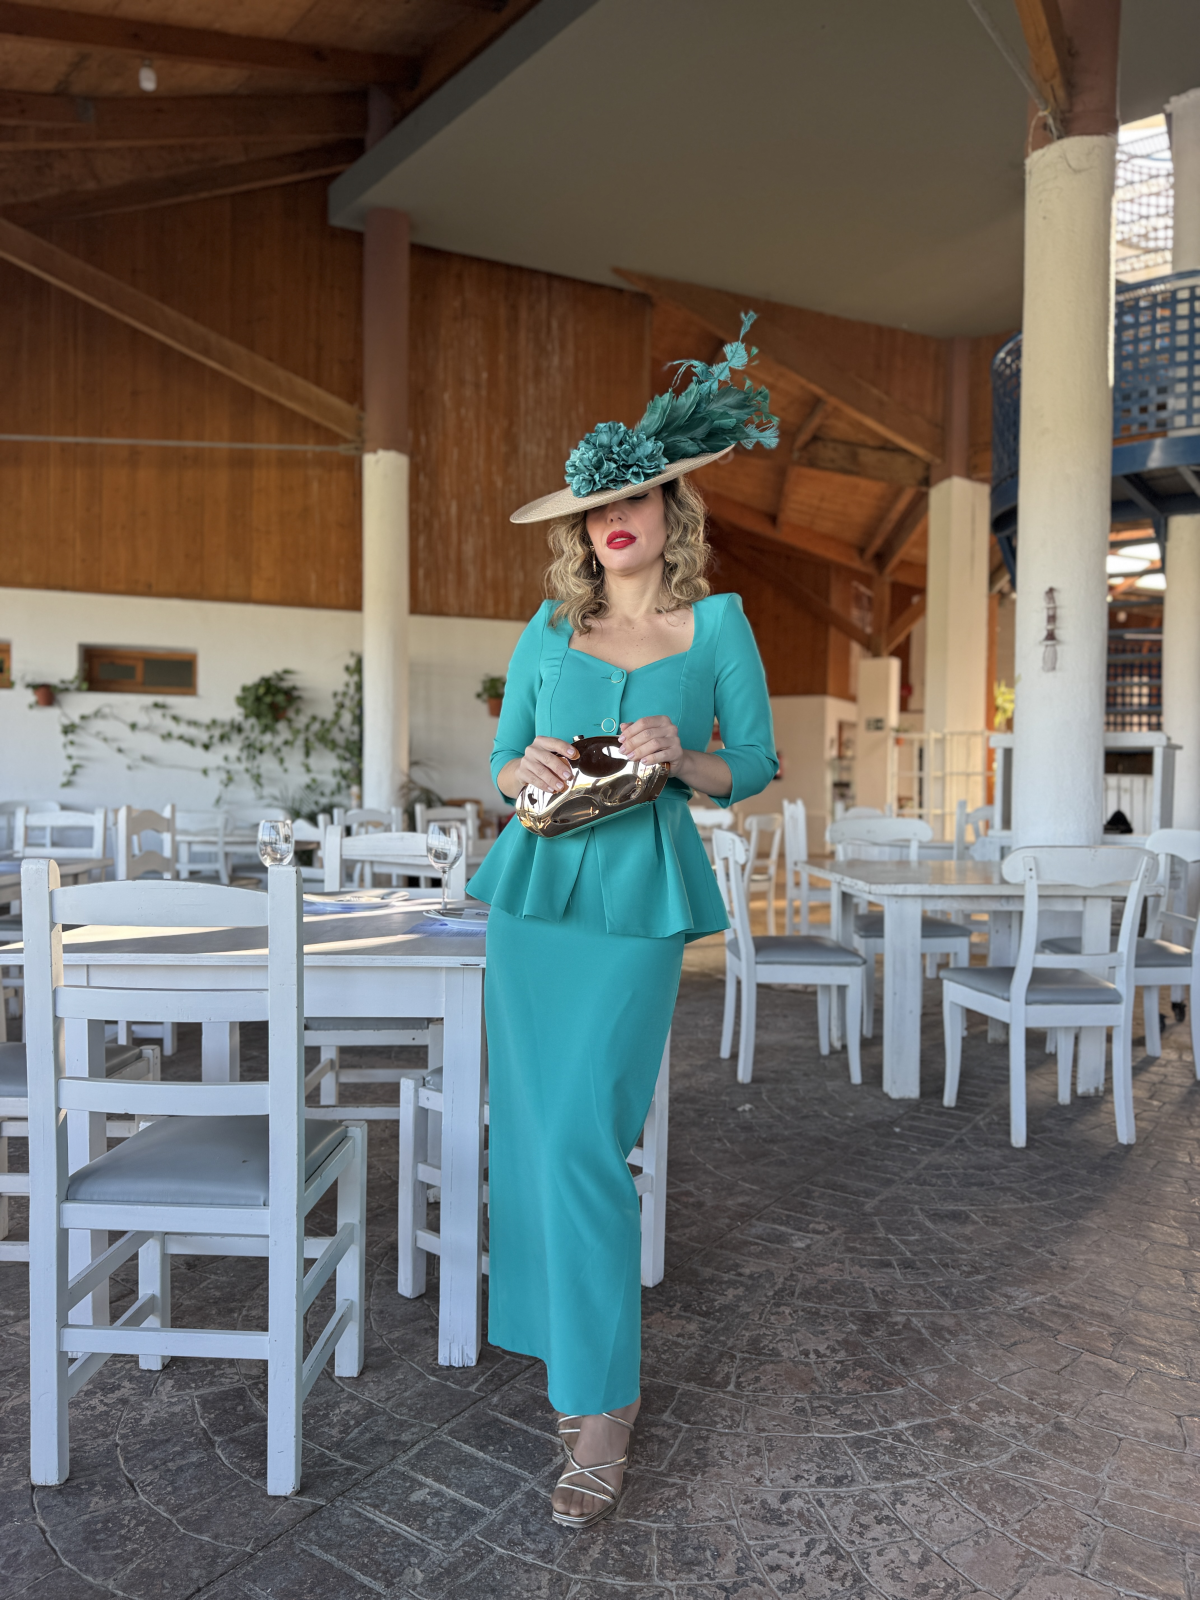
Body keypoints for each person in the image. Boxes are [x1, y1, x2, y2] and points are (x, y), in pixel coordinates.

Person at [467, 317, 779, 1528]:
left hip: (640, 897)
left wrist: (682, 755)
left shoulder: (720, 626)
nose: (614, 517)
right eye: (597, 503)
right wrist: (529, 765)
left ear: (668, 508)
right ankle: (574, 1358)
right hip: (534, 897)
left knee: (585, 1141)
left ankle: (604, 1404)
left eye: (634, 495)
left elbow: (754, 765)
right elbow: (500, 763)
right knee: (530, 1137)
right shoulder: (549, 628)